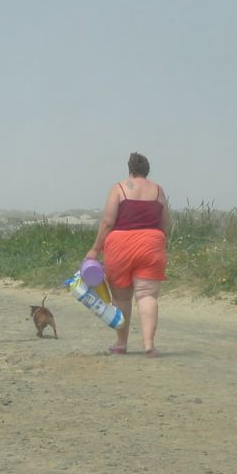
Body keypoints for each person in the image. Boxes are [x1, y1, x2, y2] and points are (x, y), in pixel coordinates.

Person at [86, 152, 170, 357]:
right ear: (147, 171)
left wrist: (95, 250)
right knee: (147, 295)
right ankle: (149, 345)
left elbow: (107, 222)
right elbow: (166, 223)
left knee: (122, 298)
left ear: (130, 170)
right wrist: (155, 240)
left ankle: (121, 344)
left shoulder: (119, 188)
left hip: (120, 245)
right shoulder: (158, 191)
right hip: (151, 244)